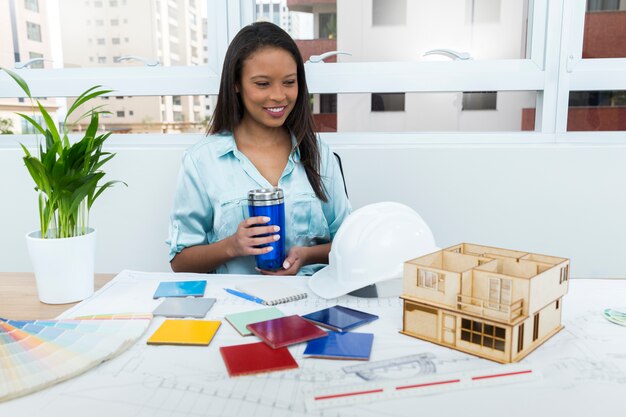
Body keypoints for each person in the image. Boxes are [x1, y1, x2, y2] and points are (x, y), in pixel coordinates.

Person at [166, 21, 351, 276]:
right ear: (236, 83)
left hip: (310, 299)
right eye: (263, 84)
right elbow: (180, 261)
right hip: (237, 305)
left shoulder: (319, 153)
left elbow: (349, 243)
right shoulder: (202, 160)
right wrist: (231, 246)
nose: (278, 96)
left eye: (289, 82)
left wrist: (307, 256)